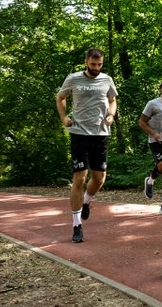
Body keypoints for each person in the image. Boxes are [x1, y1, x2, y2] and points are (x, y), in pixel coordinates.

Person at [56, 48, 118, 243]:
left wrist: (111, 115)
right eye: (93, 64)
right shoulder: (73, 79)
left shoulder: (107, 79)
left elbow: (112, 100)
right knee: (79, 178)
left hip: (100, 134)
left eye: (99, 65)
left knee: (99, 179)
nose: (96, 68)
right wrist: (63, 117)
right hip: (79, 133)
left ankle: (86, 201)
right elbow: (60, 97)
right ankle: (76, 225)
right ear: (86, 62)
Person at [138, 81, 162, 215]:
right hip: (156, 140)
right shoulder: (153, 104)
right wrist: (154, 133)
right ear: (161, 89)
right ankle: (150, 180)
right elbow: (141, 122)